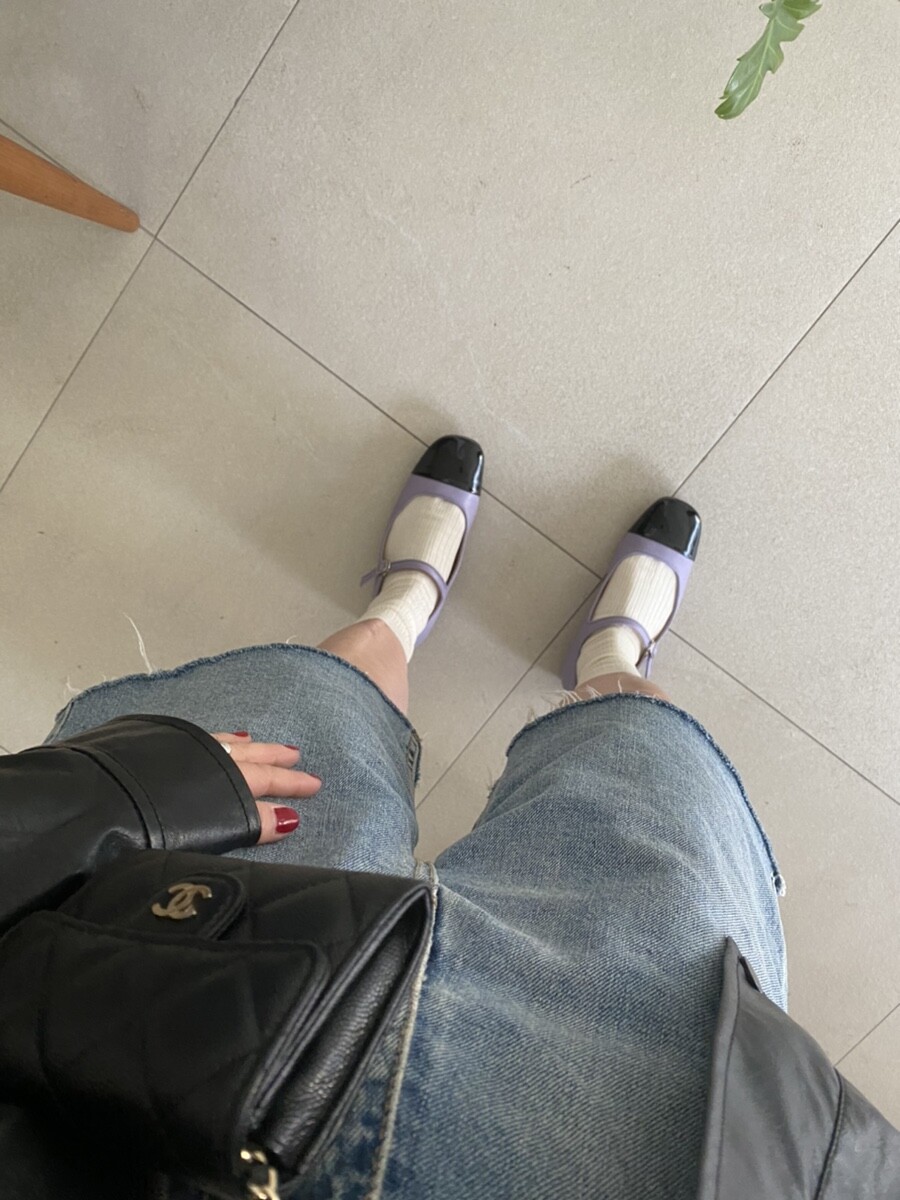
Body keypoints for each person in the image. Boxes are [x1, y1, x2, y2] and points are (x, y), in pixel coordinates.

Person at [0, 435, 897, 1200]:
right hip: (674, 1131)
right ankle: (614, 654)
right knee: (647, 771)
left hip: (138, 1055)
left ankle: (400, 609)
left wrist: (87, 805)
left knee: (316, 709)